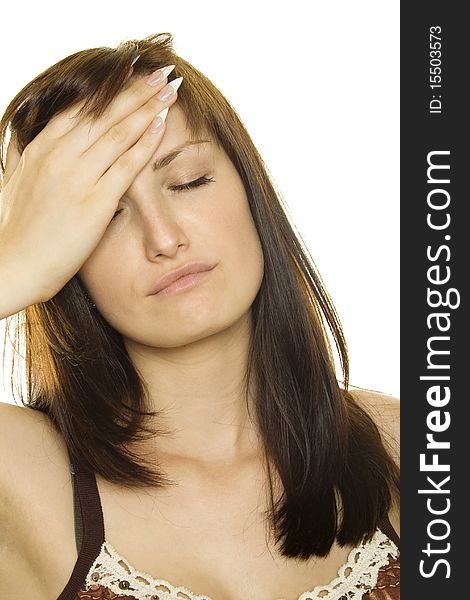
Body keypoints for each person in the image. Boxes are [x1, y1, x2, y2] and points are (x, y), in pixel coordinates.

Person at [0, 32, 400, 600]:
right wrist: (10, 265)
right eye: (105, 215)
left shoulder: (411, 444)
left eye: (188, 181)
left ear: (248, 185)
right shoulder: (16, 471)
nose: (163, 238)